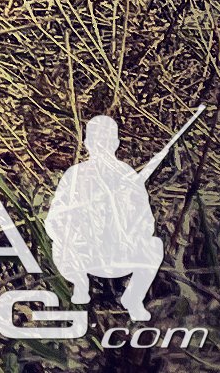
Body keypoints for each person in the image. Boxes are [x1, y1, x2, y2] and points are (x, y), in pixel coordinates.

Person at [45, 113, 170, 321]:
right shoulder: (74, 175)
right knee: (58, 246)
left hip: (120, 254)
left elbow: (146, 221)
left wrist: (127, 231)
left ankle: (133, 298)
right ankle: (80, 285)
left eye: (107, 141)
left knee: (154, 246)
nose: (102, 146)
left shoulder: (128, 175)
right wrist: (74, 234)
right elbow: (53, 219)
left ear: (116, 143)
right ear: (87, 143)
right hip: (83, 256)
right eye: (97, 141)